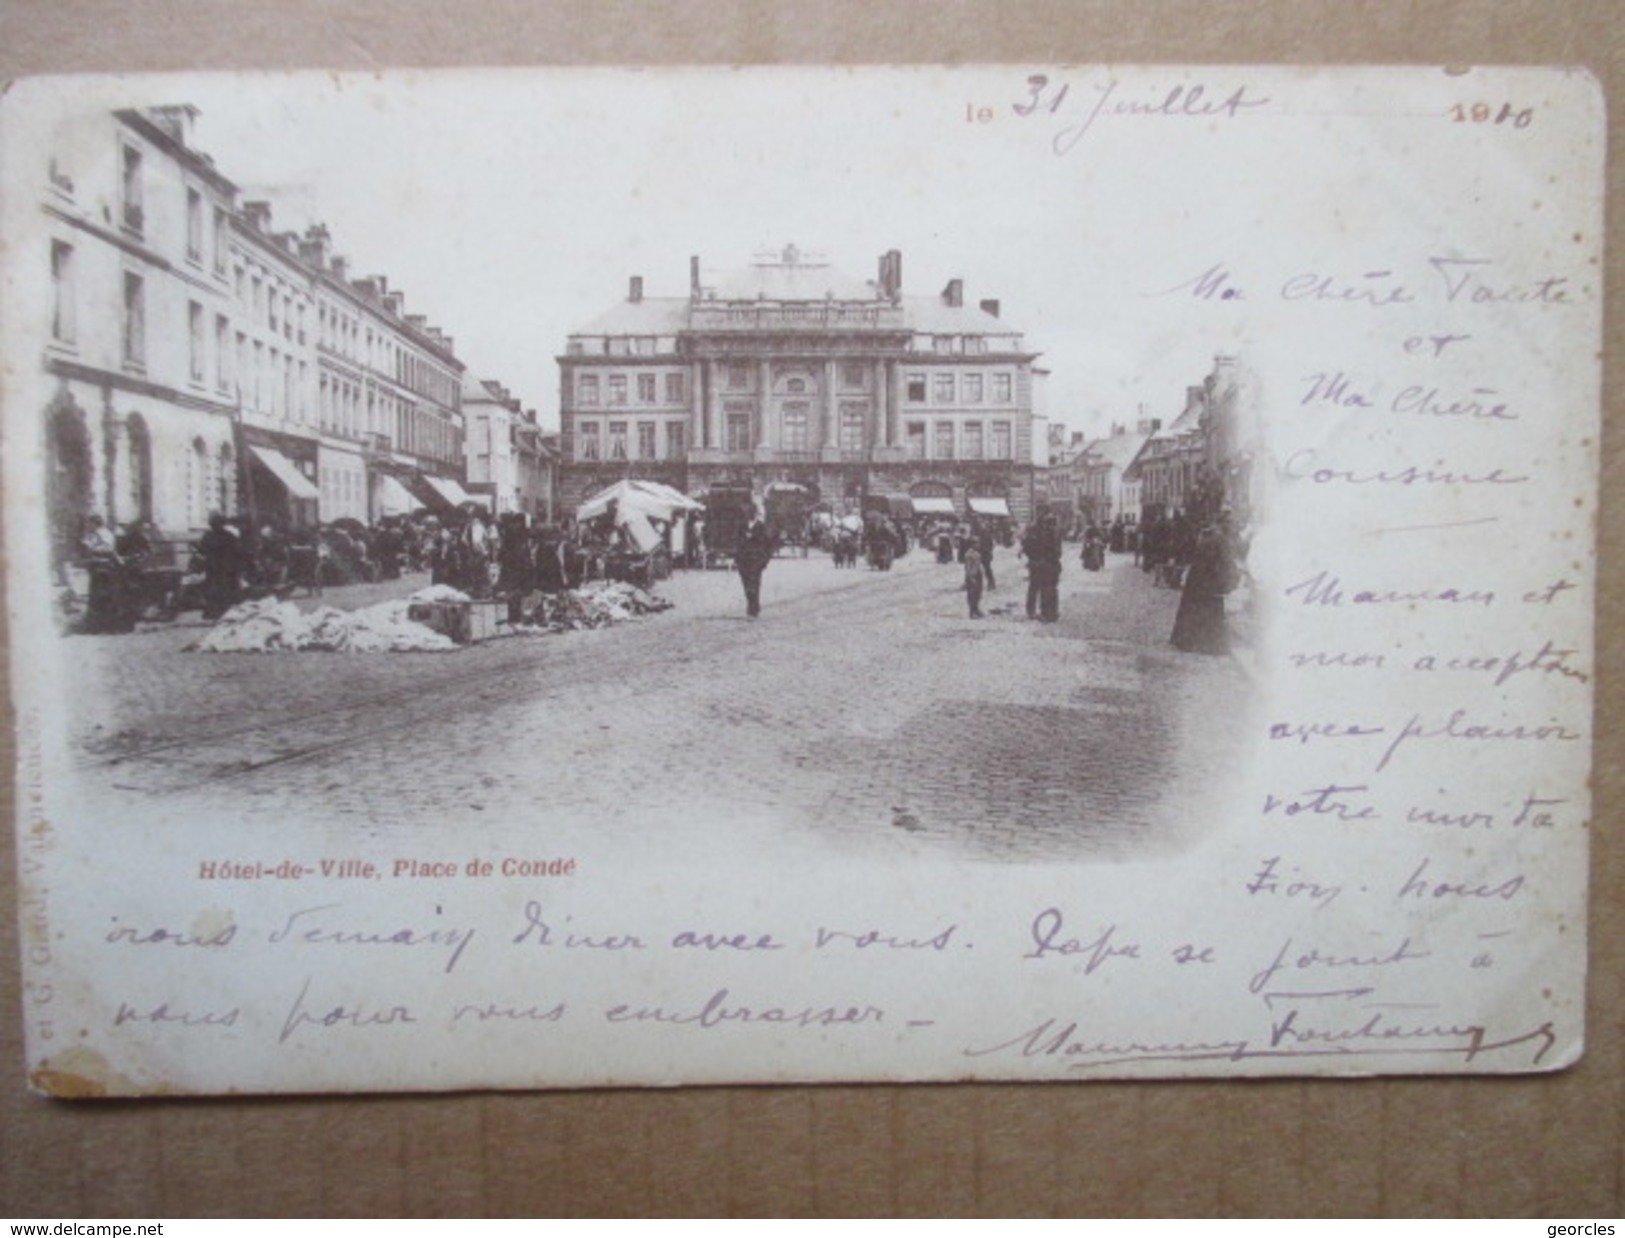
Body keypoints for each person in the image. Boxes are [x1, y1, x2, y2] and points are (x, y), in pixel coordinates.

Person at [1171, 515, 1238, 654]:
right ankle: (1208, 643)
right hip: (1210, 582)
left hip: (1197, 580)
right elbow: (1226, 563)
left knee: (1194, 609)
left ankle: (1187, 641)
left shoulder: (1208, 537)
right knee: (1210, 611)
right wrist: (1231, 581)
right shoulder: (1222, 540)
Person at [196, 513, 245, 620]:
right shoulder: (229, 536)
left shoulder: (208, 536)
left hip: (215, 567)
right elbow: (238, 552)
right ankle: (220, 611)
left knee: (215, 589)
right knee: (221, 589)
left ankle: (213, 612)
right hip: (223, 567)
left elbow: (202, 550)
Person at [735, 518, 774, 619]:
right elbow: (737, 542)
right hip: (743, 560)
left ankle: (753, 609)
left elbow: (767, 544)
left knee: (754, 584)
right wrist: (737, 558)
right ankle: (752, 605)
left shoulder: (760, 527)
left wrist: (764, 560)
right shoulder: (742, 526)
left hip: (756, 560)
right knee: (746, 585)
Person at [964, 542, 985, 618]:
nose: (978, 544)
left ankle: (976, 609)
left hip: (978, 573)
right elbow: (968, 567)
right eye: (976, 543)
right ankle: (972, 611)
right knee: (972, 594)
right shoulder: (969, 554)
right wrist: (970, 577)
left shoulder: (977, 553)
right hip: (973, 574)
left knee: (978, 593)